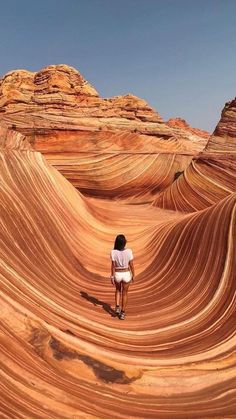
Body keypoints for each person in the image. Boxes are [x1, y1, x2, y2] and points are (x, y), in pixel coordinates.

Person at [110, 234, 135, 320]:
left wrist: (112, 277)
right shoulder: (129, 251)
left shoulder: (113, 252)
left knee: (117, 290)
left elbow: (113, 266)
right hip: (126, 273)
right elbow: (131, 264)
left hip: (117, 274)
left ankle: (117, 307)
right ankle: (123, 313)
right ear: (124, 243)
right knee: (125, 293)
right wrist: (133, 275)